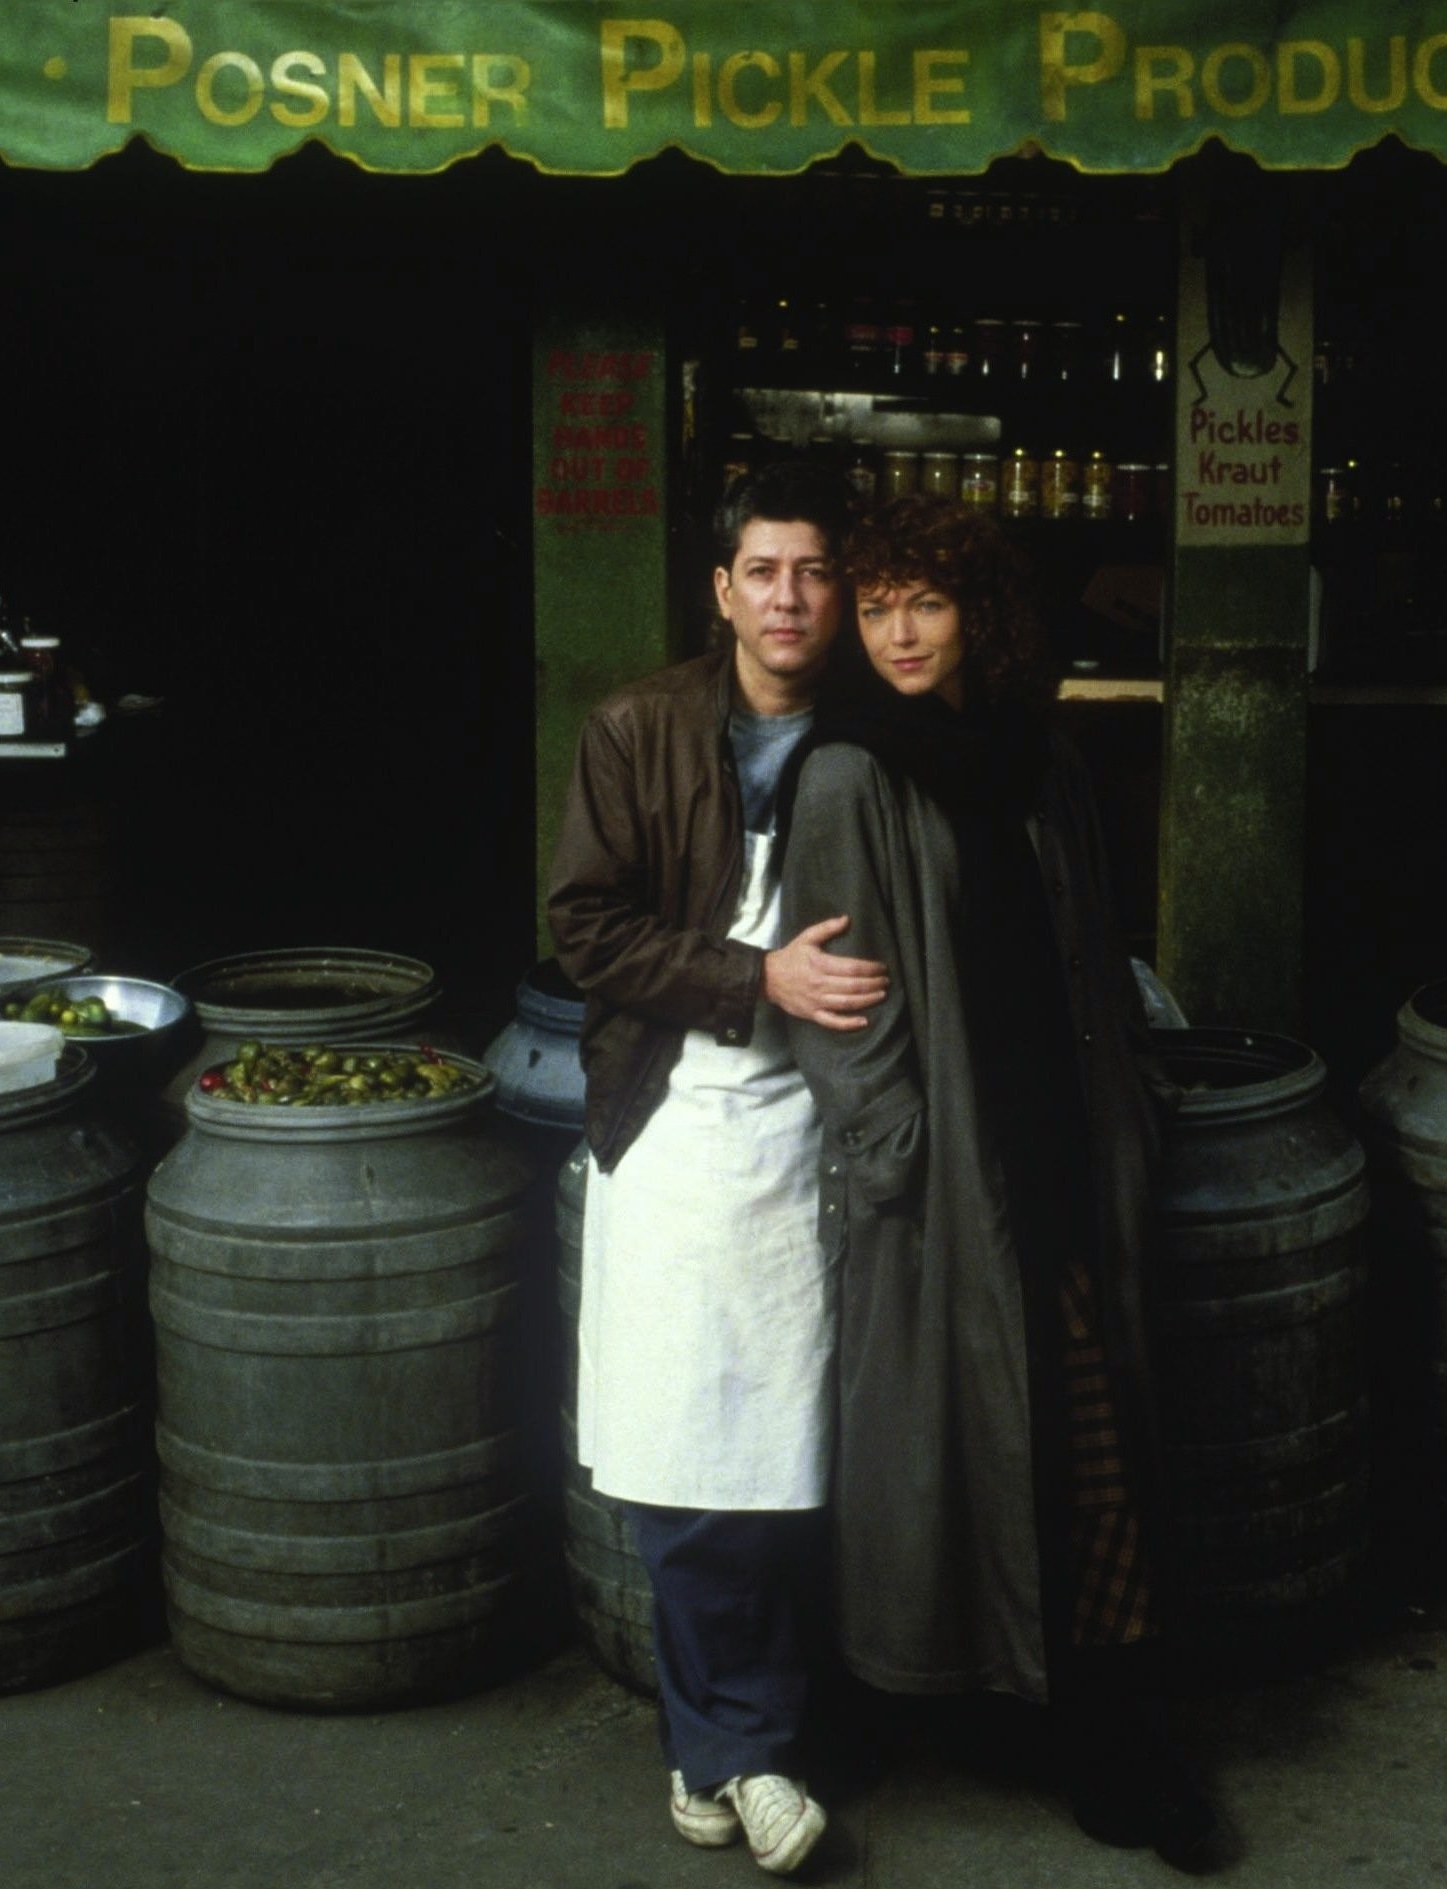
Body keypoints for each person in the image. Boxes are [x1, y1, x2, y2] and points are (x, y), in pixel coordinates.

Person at [776, 493, 1216, 1867]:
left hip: (1066, 1143)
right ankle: (1017, 1722)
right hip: (950, 1168)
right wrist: (895, 1146)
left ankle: (1118, 1731)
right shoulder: (849, 773)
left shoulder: (1041, 761)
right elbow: (835, 1003)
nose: (902, 630)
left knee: (1087, 1434)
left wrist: (1132, 1099)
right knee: (959, 1440)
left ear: (982, 617)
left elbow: (1099, 952)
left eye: (932, 602)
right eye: (884, 601)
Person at [545, 461, 887, 1877]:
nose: (789, 598)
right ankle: (746, 1744)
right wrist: (757, 976)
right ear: (720, 589)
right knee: (685, 1451)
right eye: (763, 570)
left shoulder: (879, 728)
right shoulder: (637, 726)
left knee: (794, 1450)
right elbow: (585, 926)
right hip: (677, 1113)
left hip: (824, 1131)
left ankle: (722, 1747)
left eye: (812, 571)